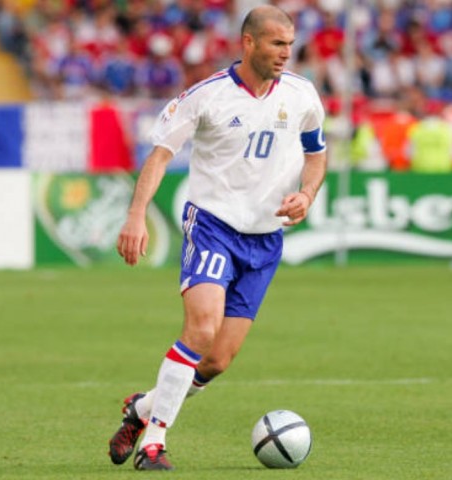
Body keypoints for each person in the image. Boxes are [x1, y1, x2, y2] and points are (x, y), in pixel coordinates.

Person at [108, 4, 327, 471]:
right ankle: (154, 443)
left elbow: (316, 154)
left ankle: (142, 409)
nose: (286, 53)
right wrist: (136, 215)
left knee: (217, 360)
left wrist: (307, 194)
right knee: (201, 330)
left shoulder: (303, 95)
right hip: (213, 225)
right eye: (276, 44)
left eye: (290, 44)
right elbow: (161, 154)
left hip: (265, 239)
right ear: (248, 43)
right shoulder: (207, 96)